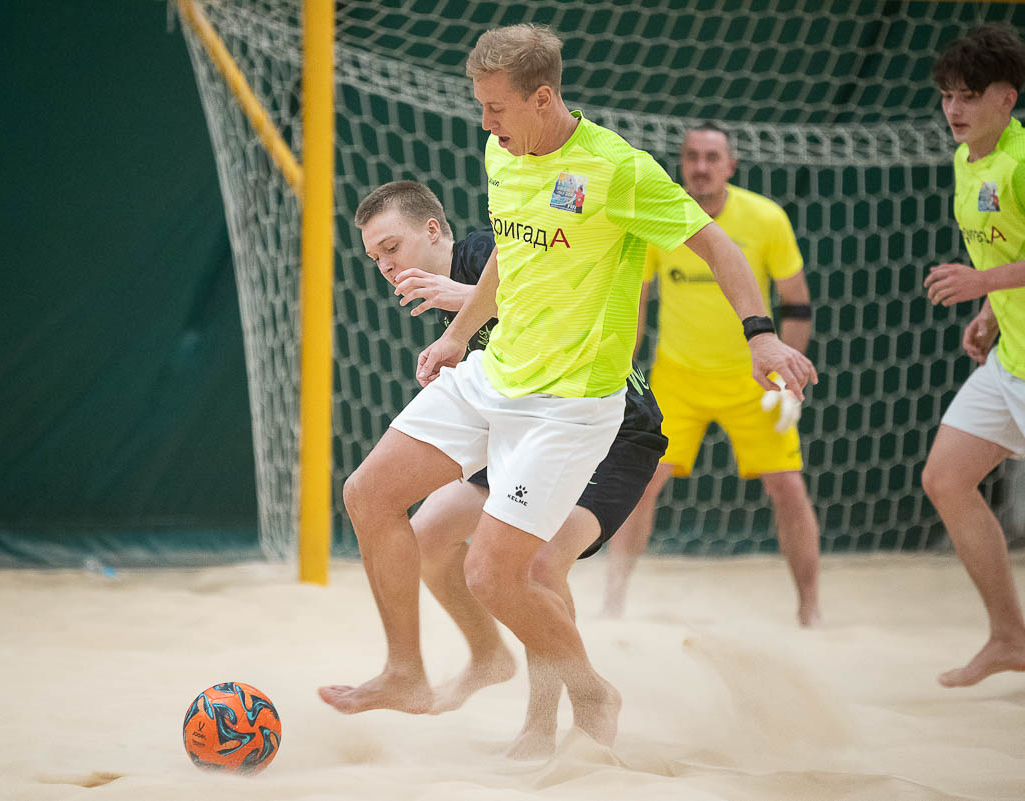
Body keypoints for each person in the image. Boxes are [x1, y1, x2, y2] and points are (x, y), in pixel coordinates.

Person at [318, 23, 816, 749]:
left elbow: (716, 245)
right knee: (370, 495)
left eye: (495, 107)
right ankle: (408, 669)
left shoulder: (617, 169)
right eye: (480, 105)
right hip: (498, 376)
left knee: (502, 572)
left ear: (542, 98)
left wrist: (761, 334)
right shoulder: (503, 152)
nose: (483, 122)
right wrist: (457, 336)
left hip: (578, 407)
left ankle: (585, 697)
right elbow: (511, 250)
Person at [348, 179, 667, 757]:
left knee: (535, 568)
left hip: (611, 428)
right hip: (523, 422)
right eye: (375, 259)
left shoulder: (485, 253)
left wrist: (462, 299)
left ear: (434, 230)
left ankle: (546, 722)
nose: (386, 266)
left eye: (391, 248)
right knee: (426, 536)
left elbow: (553, 291)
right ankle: (487, 655)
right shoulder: (444, 295)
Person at [602, 122, 822, 627]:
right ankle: (612, 604)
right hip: (677, 379)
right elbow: (636, 302)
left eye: (711, 157)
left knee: (788, 487)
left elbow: (797, 303)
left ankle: (810, 611)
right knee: (639, 484)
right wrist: (622, 373)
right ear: (681, 163)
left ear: (731, 166)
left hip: (753, 380)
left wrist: (787, 374)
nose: (701, 167)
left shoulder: (766, 218)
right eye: (692, 156)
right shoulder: (661, 216)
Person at [921, 22, 1025, 688]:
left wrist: (982, 282)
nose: (954, 108)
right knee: (946, 478)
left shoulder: (1021, 160)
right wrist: (990, 310)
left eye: (970, 95)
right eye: (947, 95)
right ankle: (1010, 637)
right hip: (1011, 359)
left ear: (1006, 99)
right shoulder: (965, 160)